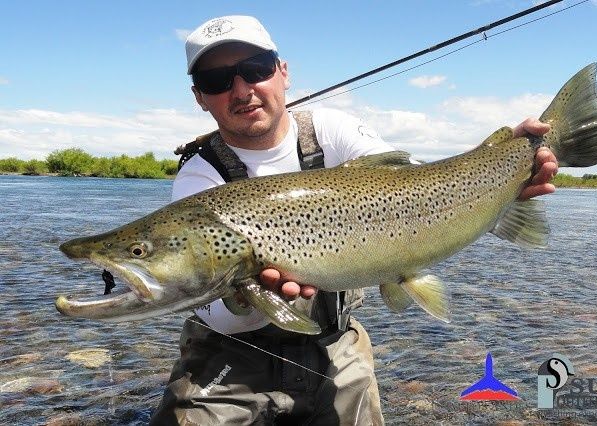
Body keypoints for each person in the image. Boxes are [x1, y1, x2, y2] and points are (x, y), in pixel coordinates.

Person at [151, 15, 558, 425]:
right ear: (199, 96)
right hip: (231, 356)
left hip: (333, 343)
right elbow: (216, 314)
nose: (241, 90)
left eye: (256, 69)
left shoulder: (331, 130)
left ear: (283, 72)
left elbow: (416, 183)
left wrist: (506, 161)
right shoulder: (199, 179)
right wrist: (251, 295)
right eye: (217, 80)